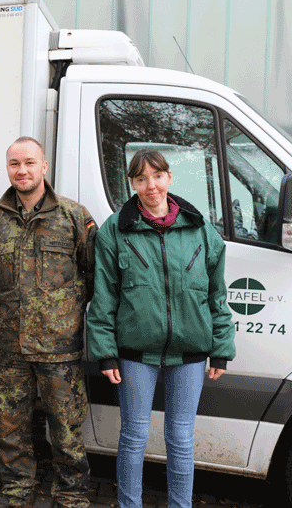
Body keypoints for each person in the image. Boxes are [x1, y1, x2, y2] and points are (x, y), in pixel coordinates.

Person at [86, 149, 235, 508]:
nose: (150, 186)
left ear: (169, 178)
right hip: (136, 352)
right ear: (132, 184)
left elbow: (216, 293)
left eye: (157, 176)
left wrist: (221, 348)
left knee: (181, 438)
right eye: (141, 179)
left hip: (190, 351)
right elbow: (104, 295)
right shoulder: (115, 230)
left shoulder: (200, 228)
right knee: (134, 436)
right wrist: (105, 353)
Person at [0, 136, 96, 508]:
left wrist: (62, 308)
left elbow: (93, 273)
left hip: (60, 349)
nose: (21, 171)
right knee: (11, 428)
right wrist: (12, 300)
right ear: (8, 168)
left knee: (66, 430)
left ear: (43, 166)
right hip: (11, 347)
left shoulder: (73, 215)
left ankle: (70, 496)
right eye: (14, 164)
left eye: (29, 163)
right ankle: (17, 491)